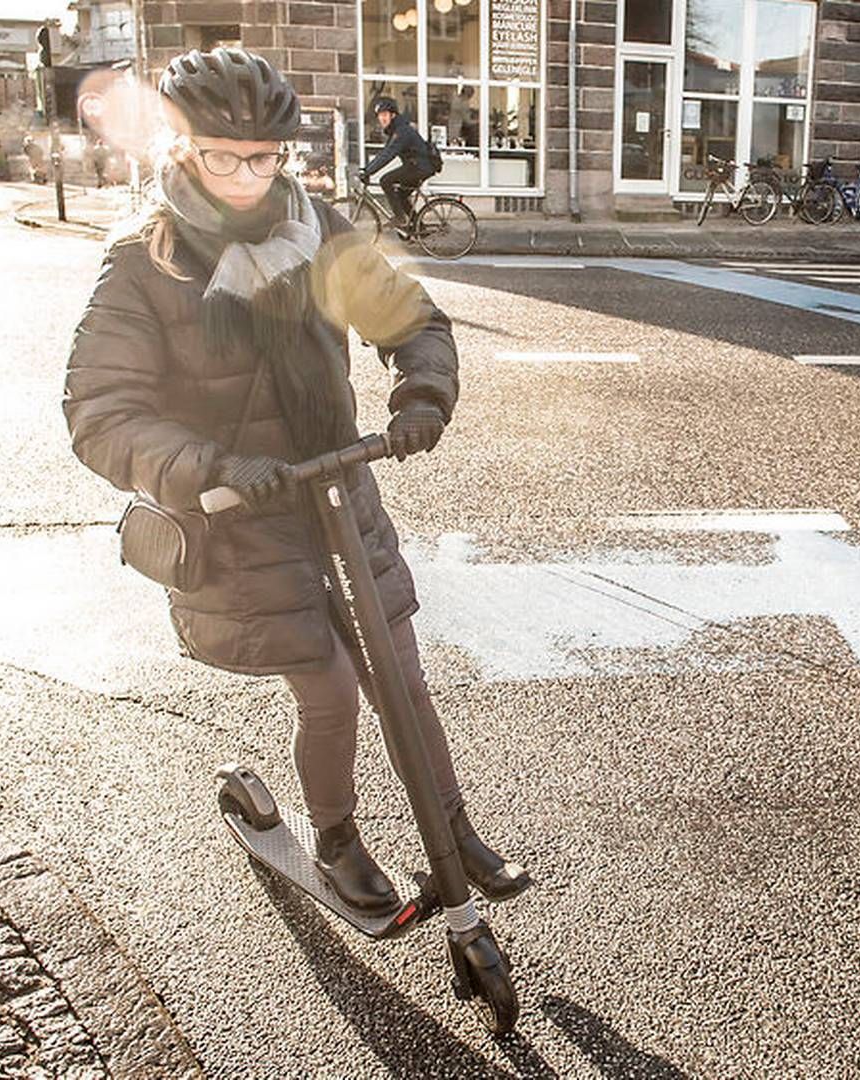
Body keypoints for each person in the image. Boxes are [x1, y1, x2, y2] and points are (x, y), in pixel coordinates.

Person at [62, 47, 529, 916]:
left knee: (401, 672)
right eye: (223, 157)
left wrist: (423, 389)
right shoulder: (144, 261)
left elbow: (413, 318)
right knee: (330, 685)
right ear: (181, 148)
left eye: (266, 158)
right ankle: (336, 837)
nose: (248, 177)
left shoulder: (315, 229)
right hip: (240, 511)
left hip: (338, 495)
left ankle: (451, 830)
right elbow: (99, 414)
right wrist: (211, 466)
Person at [358, 96, 439, 231]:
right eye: (379, 116)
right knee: (401, 195)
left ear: (393, 115)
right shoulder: (397, 129)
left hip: (420, 167)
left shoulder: (401, 132)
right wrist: (367, 169)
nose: (381, 119)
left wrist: (368, 171)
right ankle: (419, 228)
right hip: (418, 165)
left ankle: (400, 218)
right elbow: (385, 152)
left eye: (384, 115)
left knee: (386, 180)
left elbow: (389, 154)